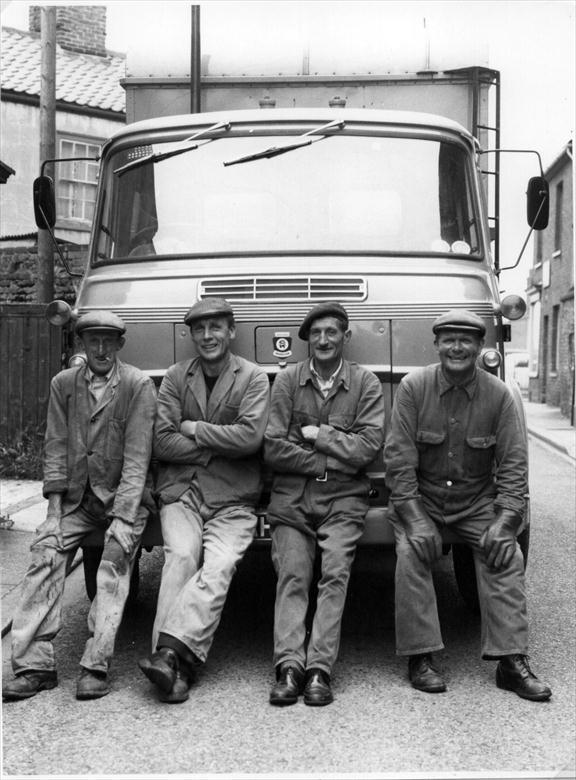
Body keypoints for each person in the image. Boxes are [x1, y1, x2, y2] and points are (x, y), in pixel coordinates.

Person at [384, 309, 552, 701]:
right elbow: (399, 461)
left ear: (480, 347)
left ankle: (511, 662)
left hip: (476, 503)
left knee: (504, 554)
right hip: (423, 502)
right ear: (437, 344)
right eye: (449, 339)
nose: (457, 347)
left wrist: (506, 521)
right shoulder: (414, 387)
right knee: (412, 553)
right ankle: (420, 657)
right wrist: (414, 518)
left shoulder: (500, 396)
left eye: (466, 340)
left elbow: (513, 465)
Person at [2, 311, 156, 702]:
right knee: (44, 554)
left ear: (120, 344)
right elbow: (55, 447)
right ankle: (35, 666)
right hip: (74, 500)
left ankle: (95, 665)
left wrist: (123, 520)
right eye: (92, 341)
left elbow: (138, 459)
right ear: (81, 345)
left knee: (114, 562)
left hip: (123, 499)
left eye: (108, 341)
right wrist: (53, 515)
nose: (101, 349)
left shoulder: (137, 385)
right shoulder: (64, 384)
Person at [138, 298, 270, 703]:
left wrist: (194, 428)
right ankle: (173, 662)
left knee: (221, 564)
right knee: (180, 556)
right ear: (191, 335)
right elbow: (162, 441)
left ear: (231, 332)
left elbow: (250, 438)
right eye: (200, 329)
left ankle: (170, 658)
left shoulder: (252, 377)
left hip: (233, 499)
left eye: (216, 328)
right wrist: (215, 447)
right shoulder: (177, 377)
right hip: (183, 492)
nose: (208, 336)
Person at [264, 301, 385, 706]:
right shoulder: (287, 381)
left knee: (335, 573)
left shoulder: (365, 383)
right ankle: (288, 667)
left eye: (332, 332)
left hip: (344, 499)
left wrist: (316, 434)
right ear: (307, 341)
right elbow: (273, 448)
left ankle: (319, 670)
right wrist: (329, 455)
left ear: (346, 337)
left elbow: (369, 447)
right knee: (293, 574)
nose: (323, 340)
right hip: (293, 496)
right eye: (315, 334)